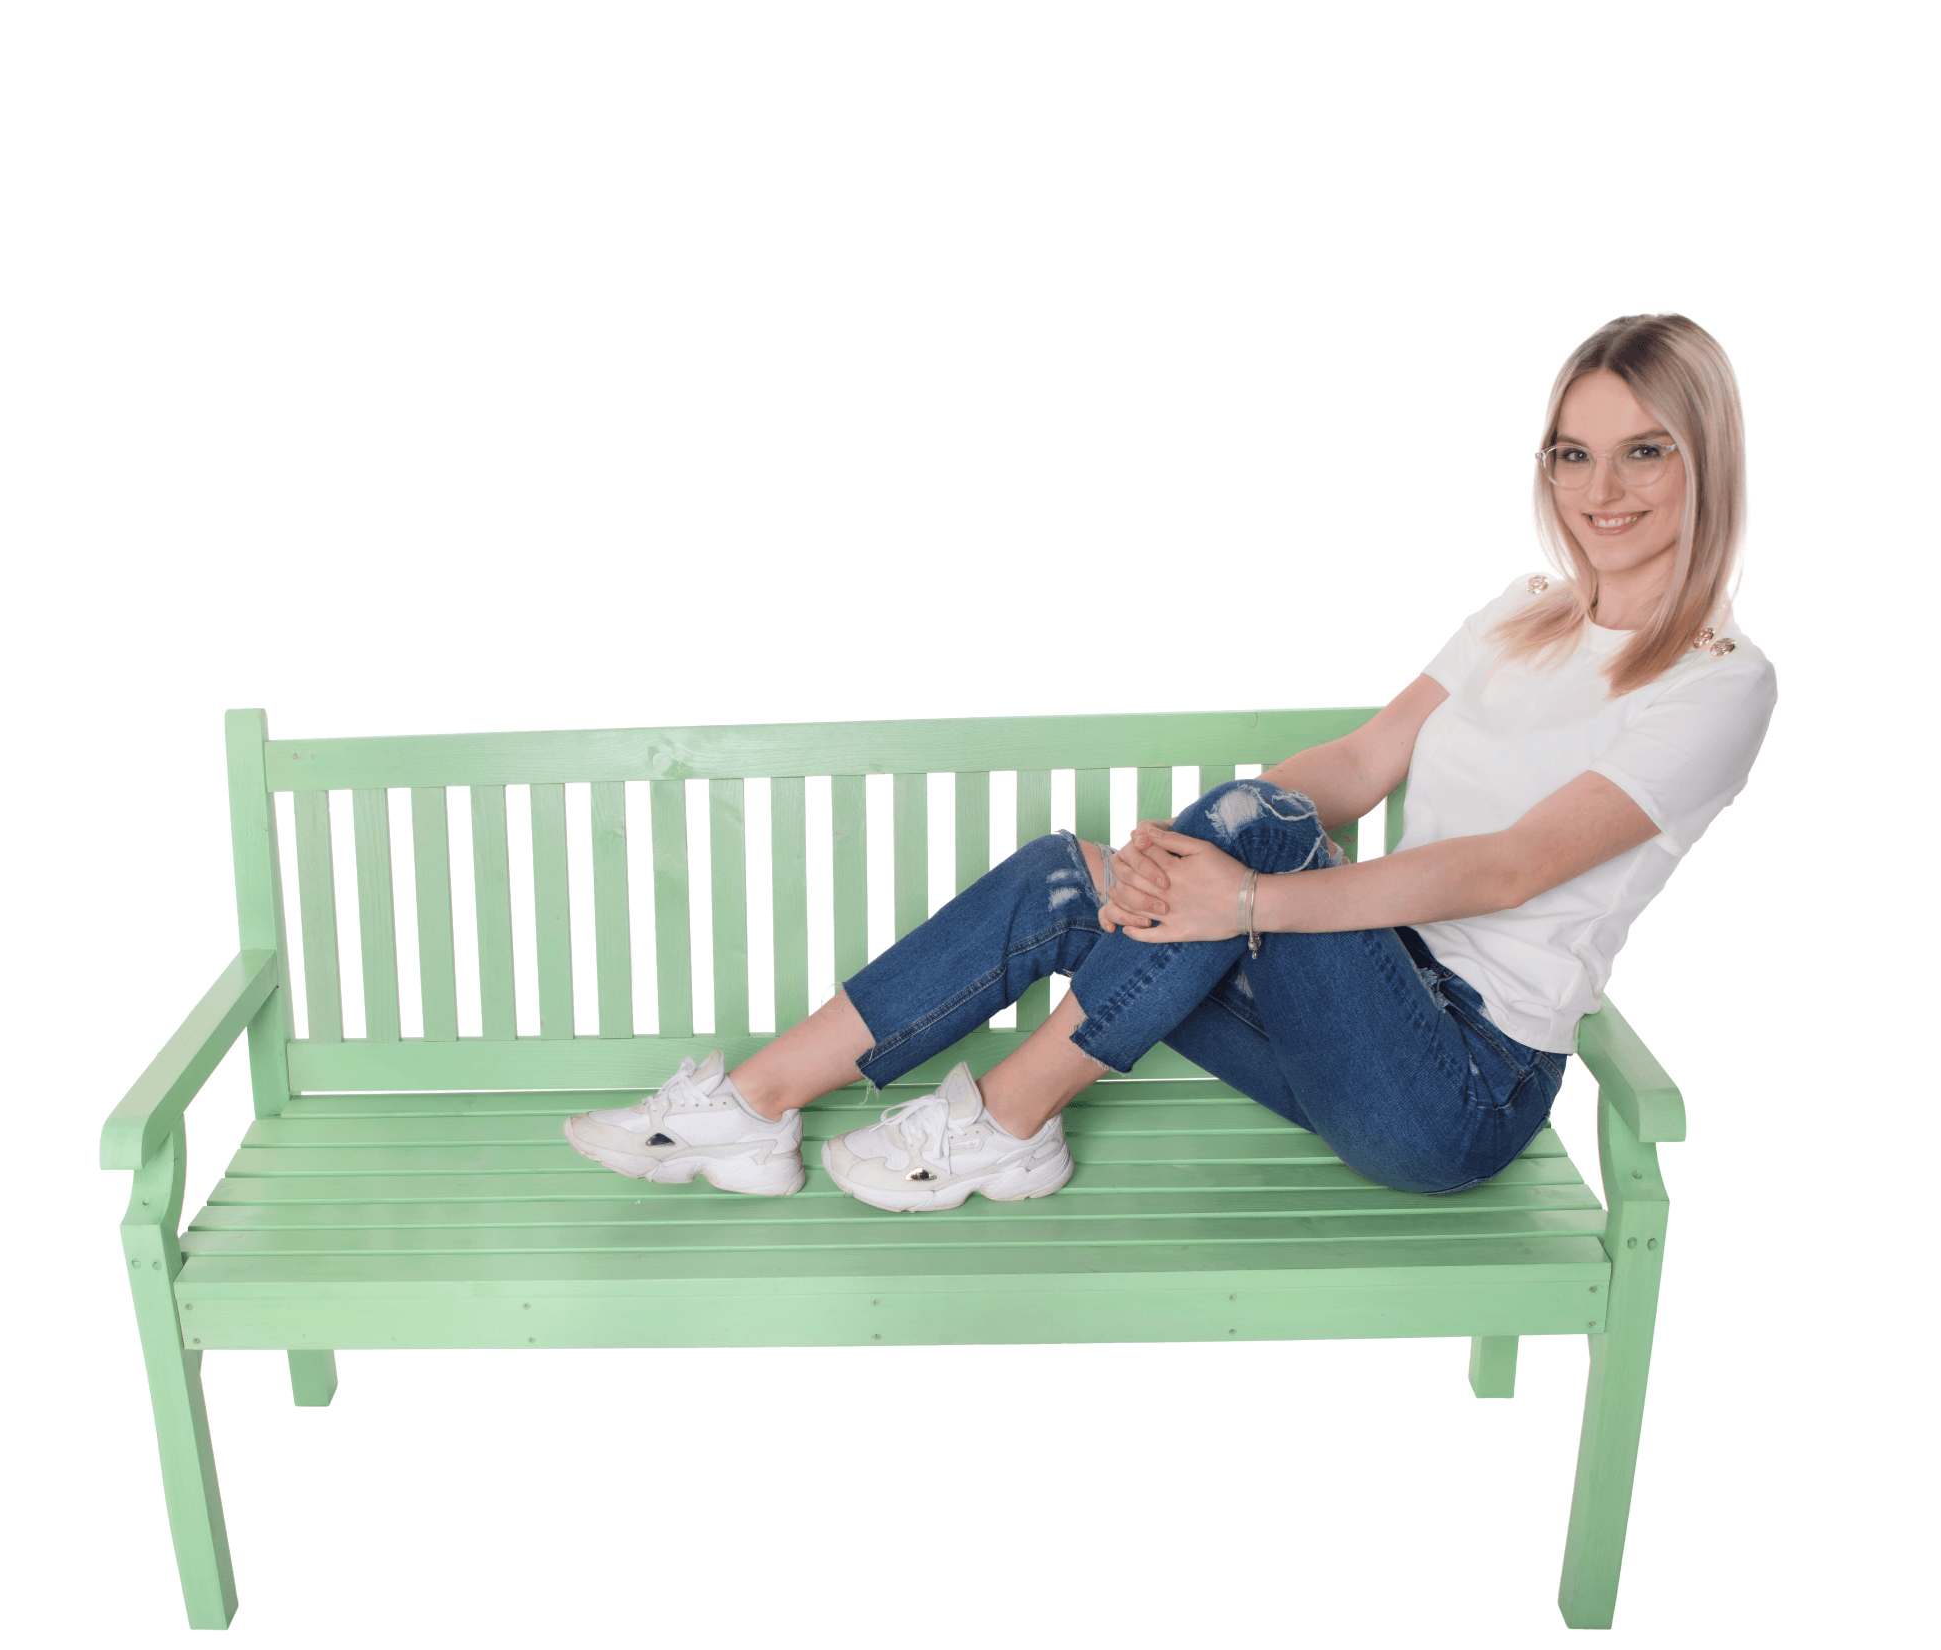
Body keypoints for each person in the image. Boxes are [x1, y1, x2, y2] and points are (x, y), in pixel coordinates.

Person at [564, 313, 1776, 1210]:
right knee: (1073, 876)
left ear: (1704, 460)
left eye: (1643, 452)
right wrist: (1172, 866)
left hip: (1452, 1086)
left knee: (1259, 825)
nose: (1599, 489)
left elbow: (1510, 868)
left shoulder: (1717, 684)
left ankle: (1007, 1116)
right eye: (1570, 453)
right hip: (1346, 1004)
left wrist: (1243, 890)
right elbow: (1360, 760)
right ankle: (753, 1105)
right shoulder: (1520, 612)